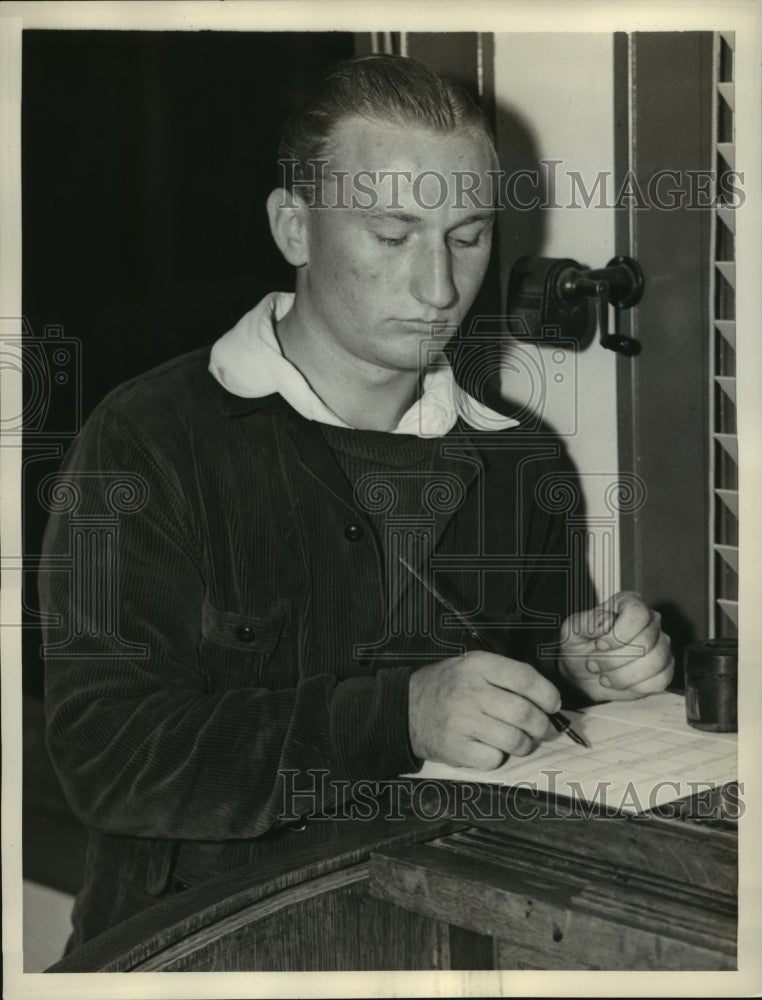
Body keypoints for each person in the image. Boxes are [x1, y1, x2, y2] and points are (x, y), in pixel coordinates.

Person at [40, 53, 674, 950]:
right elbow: (110, 757)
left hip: (446, 934)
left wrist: (576, 672)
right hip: (198, 949)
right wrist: (399, 715)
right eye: (391, 234)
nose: (440, 288)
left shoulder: (521, 459)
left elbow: (521, 689)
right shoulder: (146, 440)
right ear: (294, 225)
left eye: (467, 236)